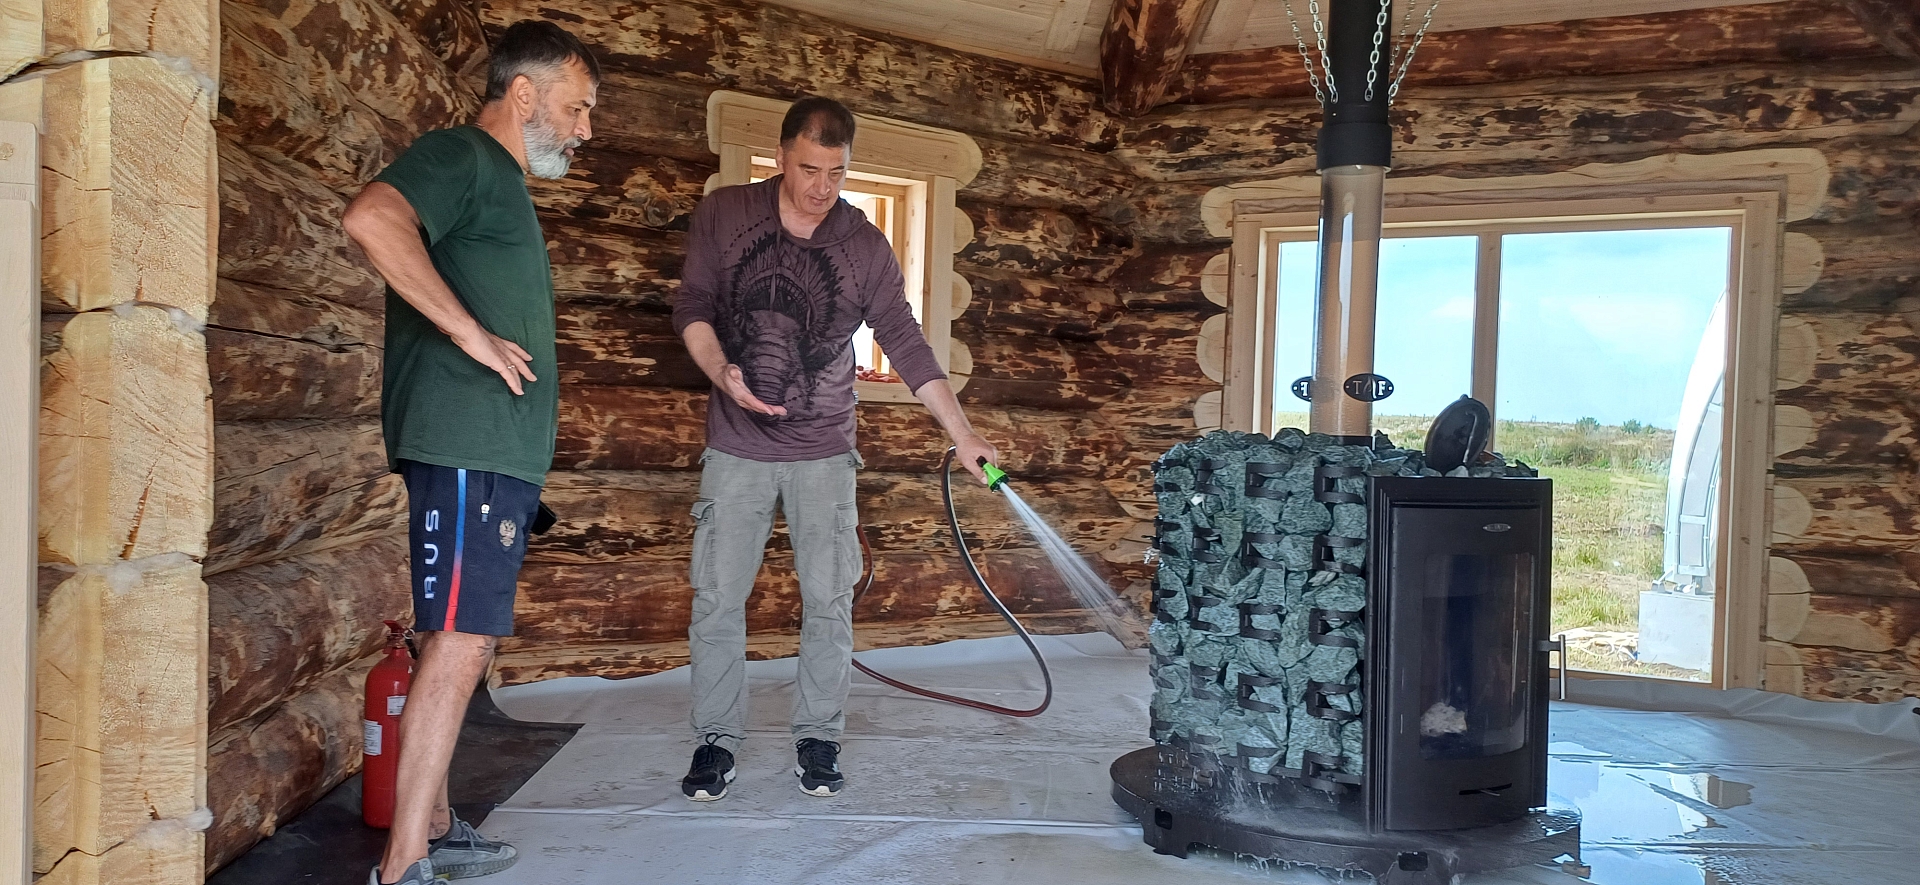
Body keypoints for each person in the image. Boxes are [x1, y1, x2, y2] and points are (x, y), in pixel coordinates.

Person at [671, 96, 998, 801]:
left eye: (837, 173)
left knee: (828, 598)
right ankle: (715, 739)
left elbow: (904, 339)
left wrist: (962, 432)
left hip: (823, 450)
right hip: (737, 446)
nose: (822, 187)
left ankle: (818, 737)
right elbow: (692, 305)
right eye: (809, 169)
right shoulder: (725, 214)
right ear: (781, 157)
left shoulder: (864, 245)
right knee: (718, 597)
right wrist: (721, 372)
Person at [341, 20, 598, 885]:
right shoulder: (465, 156)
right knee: (460, 639)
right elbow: (372, 218)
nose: (584, 129)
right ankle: (402, 862)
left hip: (490, 454)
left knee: (456, 638)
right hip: (466, 447)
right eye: (575, 107)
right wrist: (469, 333)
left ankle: (437, 825)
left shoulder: (501, 183)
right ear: (523, 95)